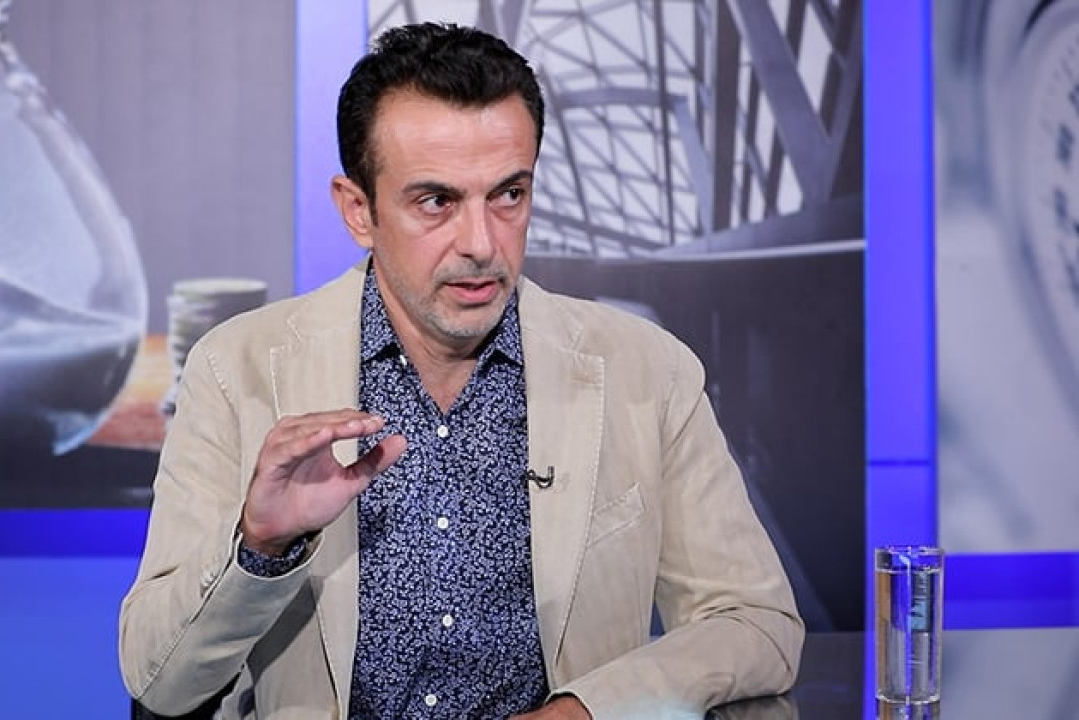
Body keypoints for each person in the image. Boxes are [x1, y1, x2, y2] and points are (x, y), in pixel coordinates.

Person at [119, 22, 803, 720]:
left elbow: (754, 623)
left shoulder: (647, 372)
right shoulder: (236, 370)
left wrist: (587, 710)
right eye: (436, 201)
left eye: (508, 195)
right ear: (358, 210)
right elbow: (159, 682)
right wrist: (260, 547)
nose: (481, 243)